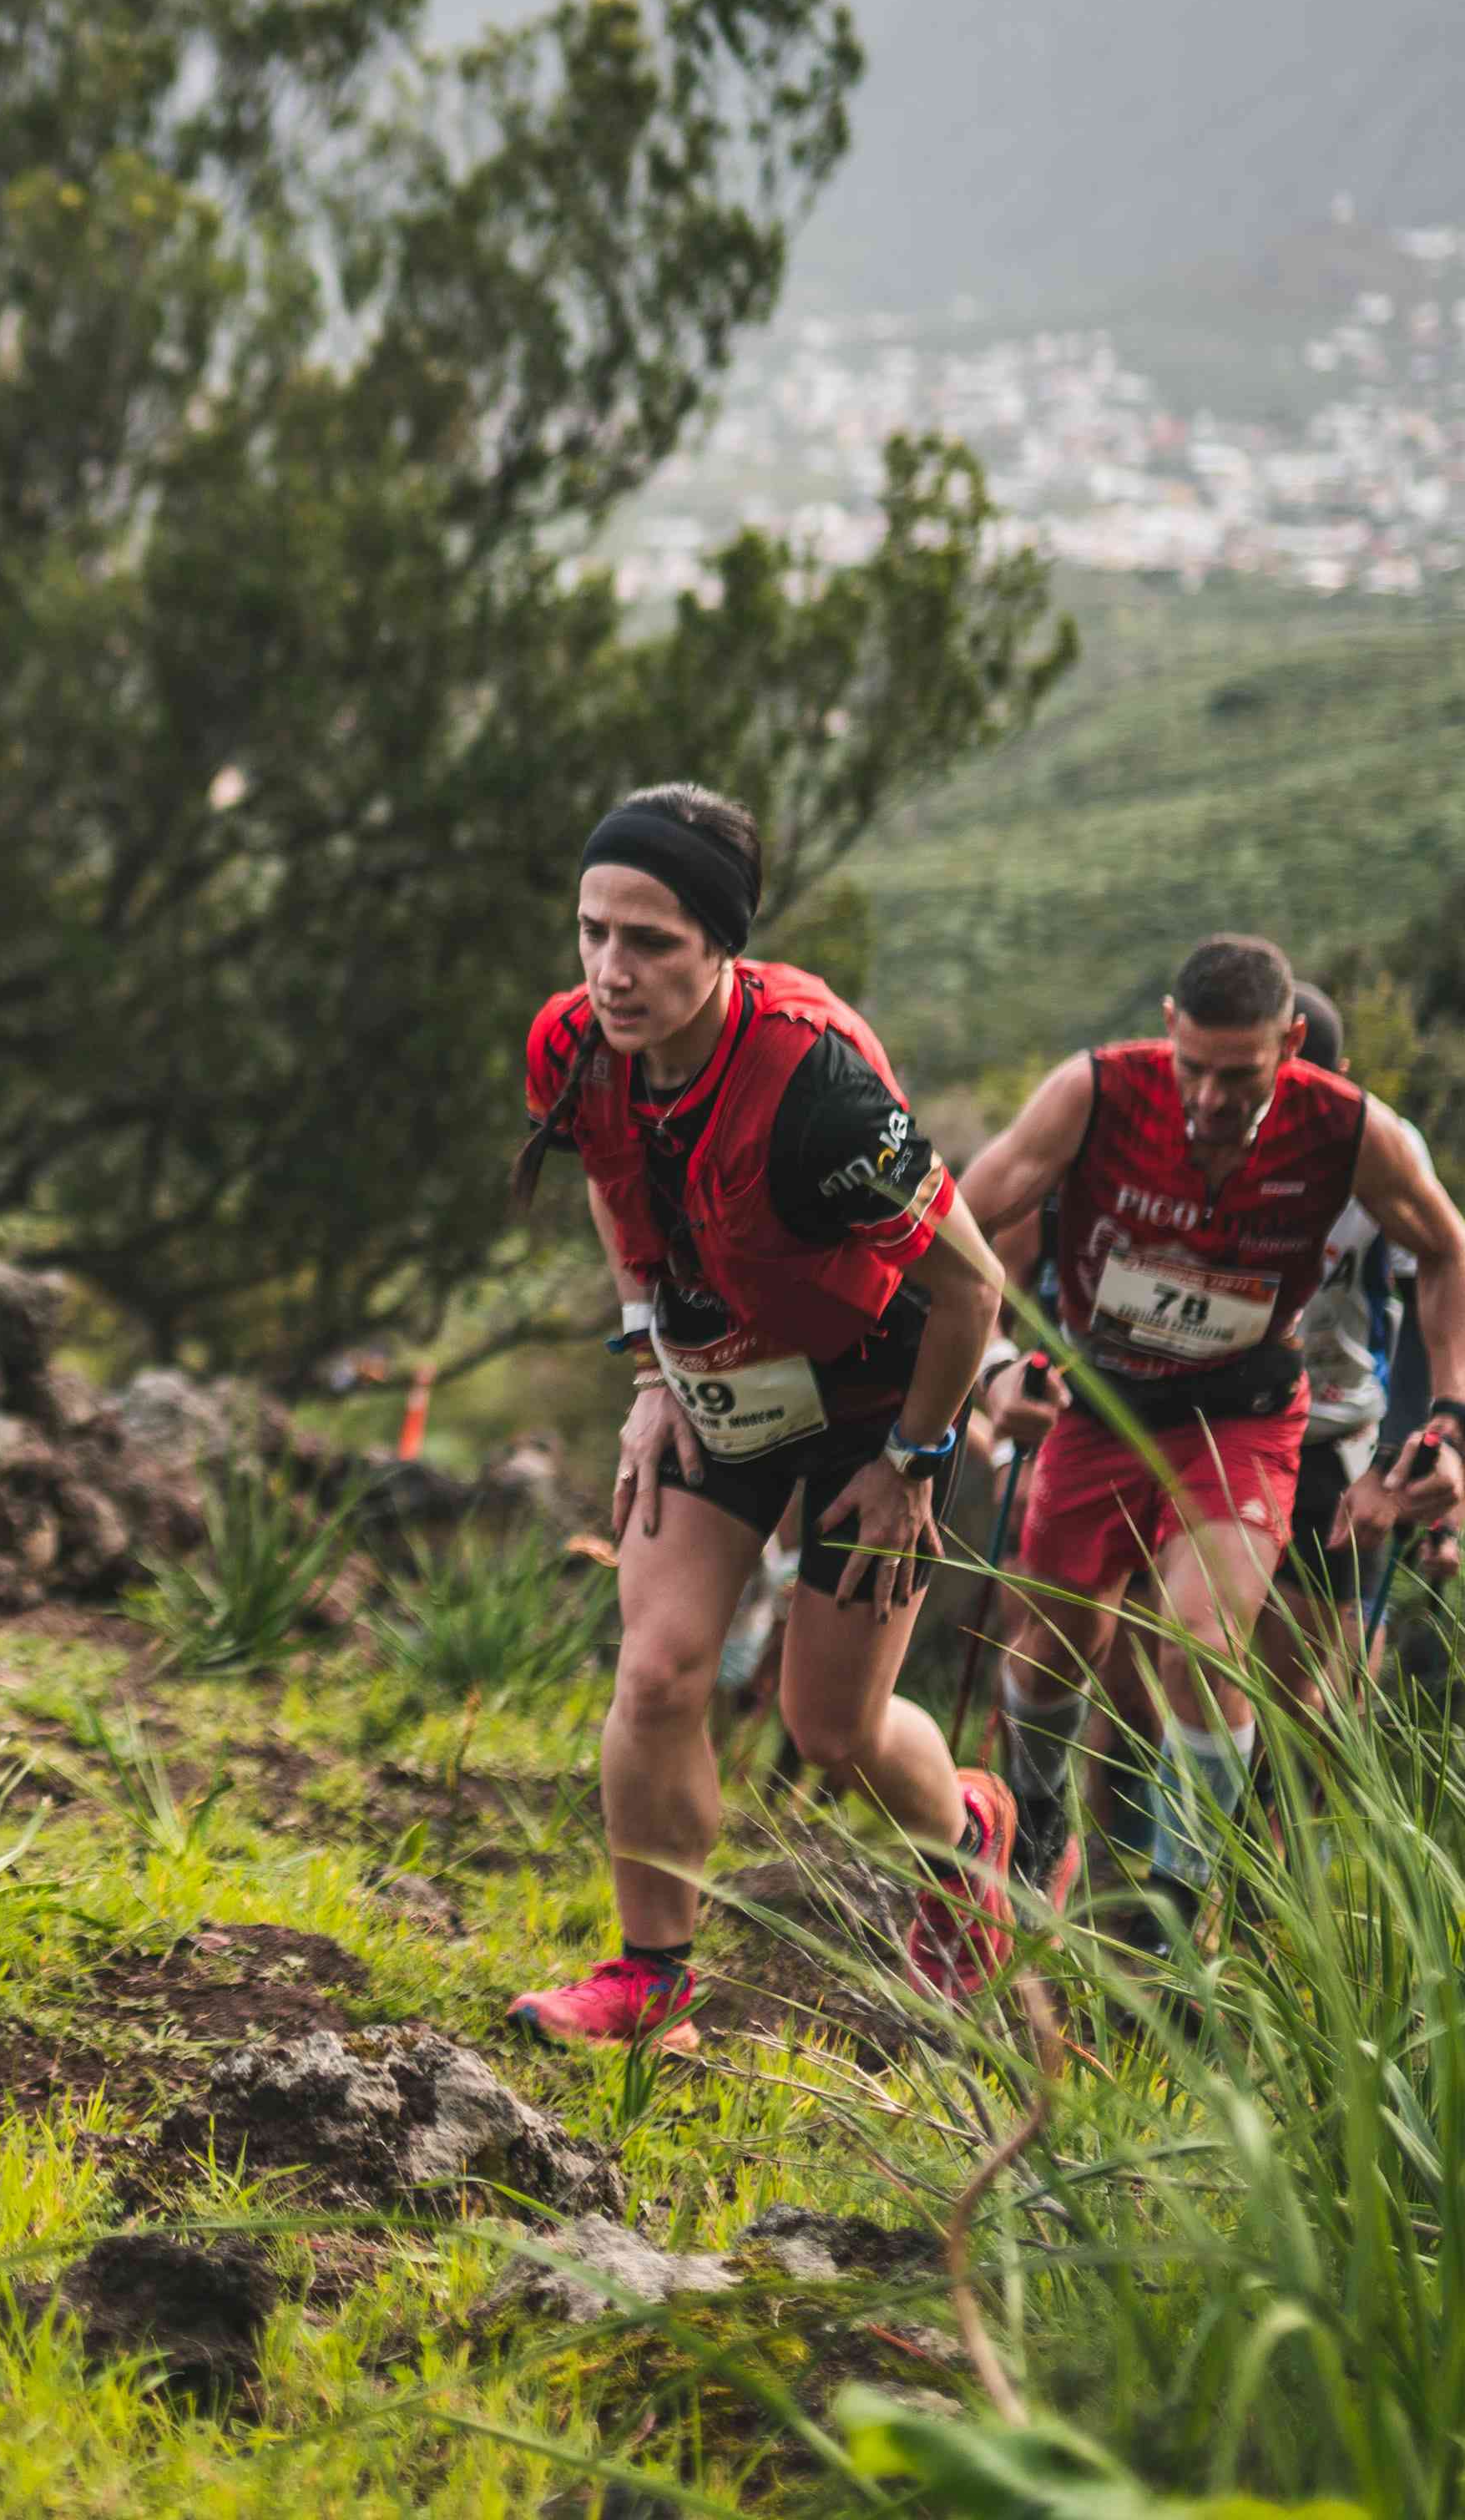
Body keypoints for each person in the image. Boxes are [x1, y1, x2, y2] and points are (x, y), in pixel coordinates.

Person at [505, 786, 1023, 2050]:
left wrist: (914, 1462)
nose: (610, 973)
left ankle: (967, 1840)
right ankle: (652, 1983)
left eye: (650, 943)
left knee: (830, 1727)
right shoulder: (573, 1045)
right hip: (715, 1371)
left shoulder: (822, 1093)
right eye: (592, 932)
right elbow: (619, 1199)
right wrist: (645, 1376)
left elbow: (973, 1288)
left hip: (874, 1395)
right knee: (661, 1666)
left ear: (721, 944)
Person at [959, 938, 1465, 1944]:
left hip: (1241, 1408)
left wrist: (1450, 1418)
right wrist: (989, 1367)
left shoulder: (1347, 1129)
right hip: (1103, 1401)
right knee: (1055, 1648)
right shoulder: (1095, 1093)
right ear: (1167, 1028)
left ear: (1291, 1045)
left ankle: (1176, 1899)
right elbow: (963, 1225)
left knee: (1207, 1641)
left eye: (1238, 1077)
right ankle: (1036, 1816)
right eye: (1192, 1067)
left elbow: (1450, 1247)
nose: (1207, 1099)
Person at [1262, 984, 1465, 1714]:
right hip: (1220, 1412)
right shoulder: (1212, 1129)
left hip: (1334, 1425)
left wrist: (1394, 1461)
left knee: (1316, 1693)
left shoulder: (1380, 1147)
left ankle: (1306, 1825)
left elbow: (1432, 1301)